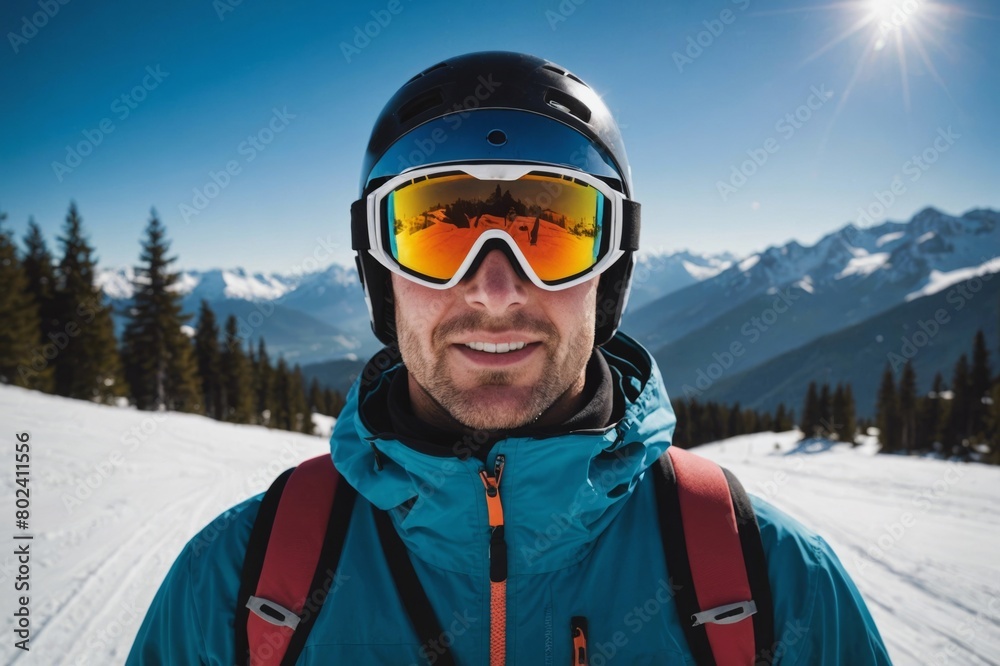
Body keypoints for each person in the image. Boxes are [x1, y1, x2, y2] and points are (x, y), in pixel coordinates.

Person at [127, 51, 892, 665]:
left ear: (612, 269)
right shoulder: (241, 583)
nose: (495, 290)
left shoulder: (771, 585)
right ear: (378, 272)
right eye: (437, 231)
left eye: (551, 229)